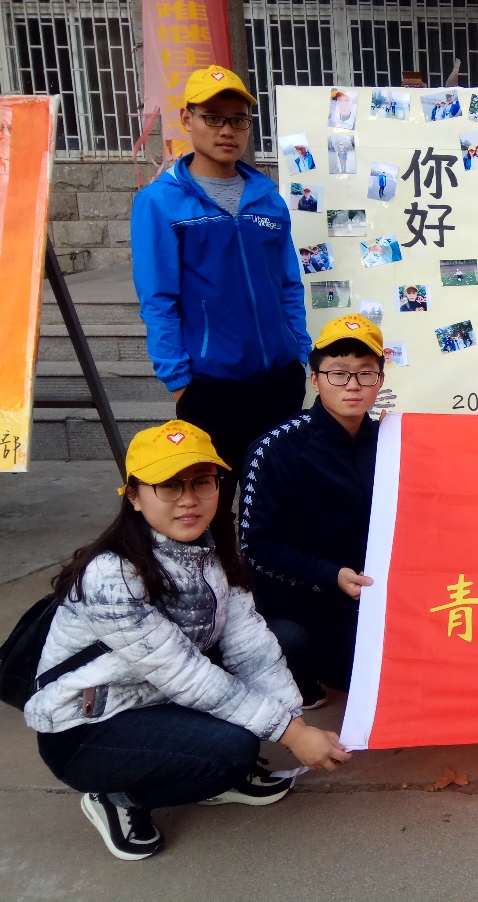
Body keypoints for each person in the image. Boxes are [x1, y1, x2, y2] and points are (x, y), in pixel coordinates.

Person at [24, 421, 349, 861]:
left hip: (157, 697)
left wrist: (296, 724)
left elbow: (249, 645)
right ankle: (115, 796)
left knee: (286, 639)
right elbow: (185, 675)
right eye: (169, 486)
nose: (189, 499)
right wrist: (290, 734)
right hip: (89, 727)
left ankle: (202, 764)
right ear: (134, 496)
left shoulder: (211, 549)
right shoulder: (110, 575)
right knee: (231, 751)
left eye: (201, 482)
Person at [131, 65, 310, 524]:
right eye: (213, 118)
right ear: (187, 119)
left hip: (278, 380)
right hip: (209, 385)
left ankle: (265, 570)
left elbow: (288, 283)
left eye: (238, 120)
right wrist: (179, 381)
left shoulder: (267, 198)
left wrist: (299, 352)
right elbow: (158, 300)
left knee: (277, 499)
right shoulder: (160, 202)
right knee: (210, 505)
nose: (227, 130)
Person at [239, 315, 385, 709]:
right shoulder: (274, 449)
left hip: (374, 593)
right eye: (338, 373)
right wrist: (329, 575)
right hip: (307, 597)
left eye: (365, 373)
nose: (352, 385)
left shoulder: (391, 443)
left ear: (379, 381)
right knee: (346, 673)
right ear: (315, 379)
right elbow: (257, 547)